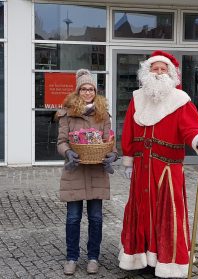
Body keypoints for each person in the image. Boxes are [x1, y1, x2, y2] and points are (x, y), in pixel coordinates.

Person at [118, 50, 198, 279]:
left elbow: (190, 126)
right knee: (141, 211)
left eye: (163, 69)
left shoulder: (181, 100)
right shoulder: (137, 98)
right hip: (141, 167)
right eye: (155, 69)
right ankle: (143, 257)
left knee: (168, 213)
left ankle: (169, 261)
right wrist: (128, 160)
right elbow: (129, 130)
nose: (159, 73)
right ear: (147, 72)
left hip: (168, 169)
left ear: (171, 73)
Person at [56, 69, 118, 275]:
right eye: (83, 89)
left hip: (96, 172)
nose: (87, 92)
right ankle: (71, 257)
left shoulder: (103, 115)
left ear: (95, 91)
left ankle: (93, 257)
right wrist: (68, 153)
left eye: (91, 88)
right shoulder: (67, 113)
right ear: (78, 91)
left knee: (96, 218)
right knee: (73, 218)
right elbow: (61, 142)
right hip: (75, 171)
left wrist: (113, 155)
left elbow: (110, 142)